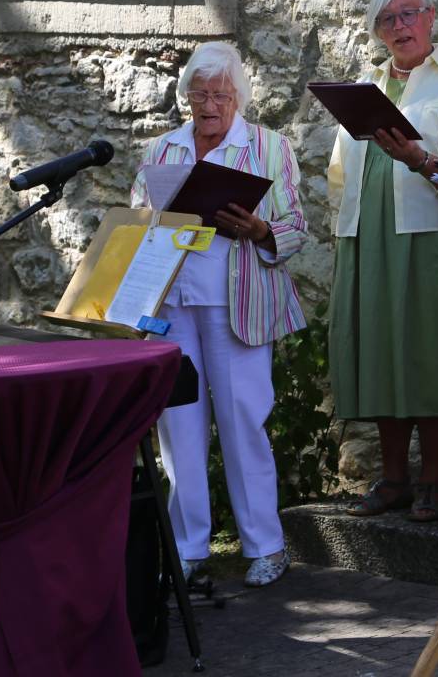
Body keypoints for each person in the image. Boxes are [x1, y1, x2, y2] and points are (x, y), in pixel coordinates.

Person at [129, 42, 307, 590]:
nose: (208, 105)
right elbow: (136, 225)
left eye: (220, 95)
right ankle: (187, 548)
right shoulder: (163, 151)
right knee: (177, 430)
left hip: (240, 306)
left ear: (239, 98)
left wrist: (260, 231)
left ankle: (264, 546)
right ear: (185, 97)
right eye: (199, 93)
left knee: (242, 422)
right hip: (174, 305)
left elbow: (297, 228)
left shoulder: (267, 149)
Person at [327, 0, 438, 522]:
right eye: (388, 20)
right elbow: (341, 170)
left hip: (431, 233)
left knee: (429, 350)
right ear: (378, 32)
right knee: (380, 349)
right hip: (369, 232)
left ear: (431, 18)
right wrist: (345, 225)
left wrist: (418, 157)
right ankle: (392, 478)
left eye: (409, 14)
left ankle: (433, 479)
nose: (401, 27)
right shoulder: (363, 86)